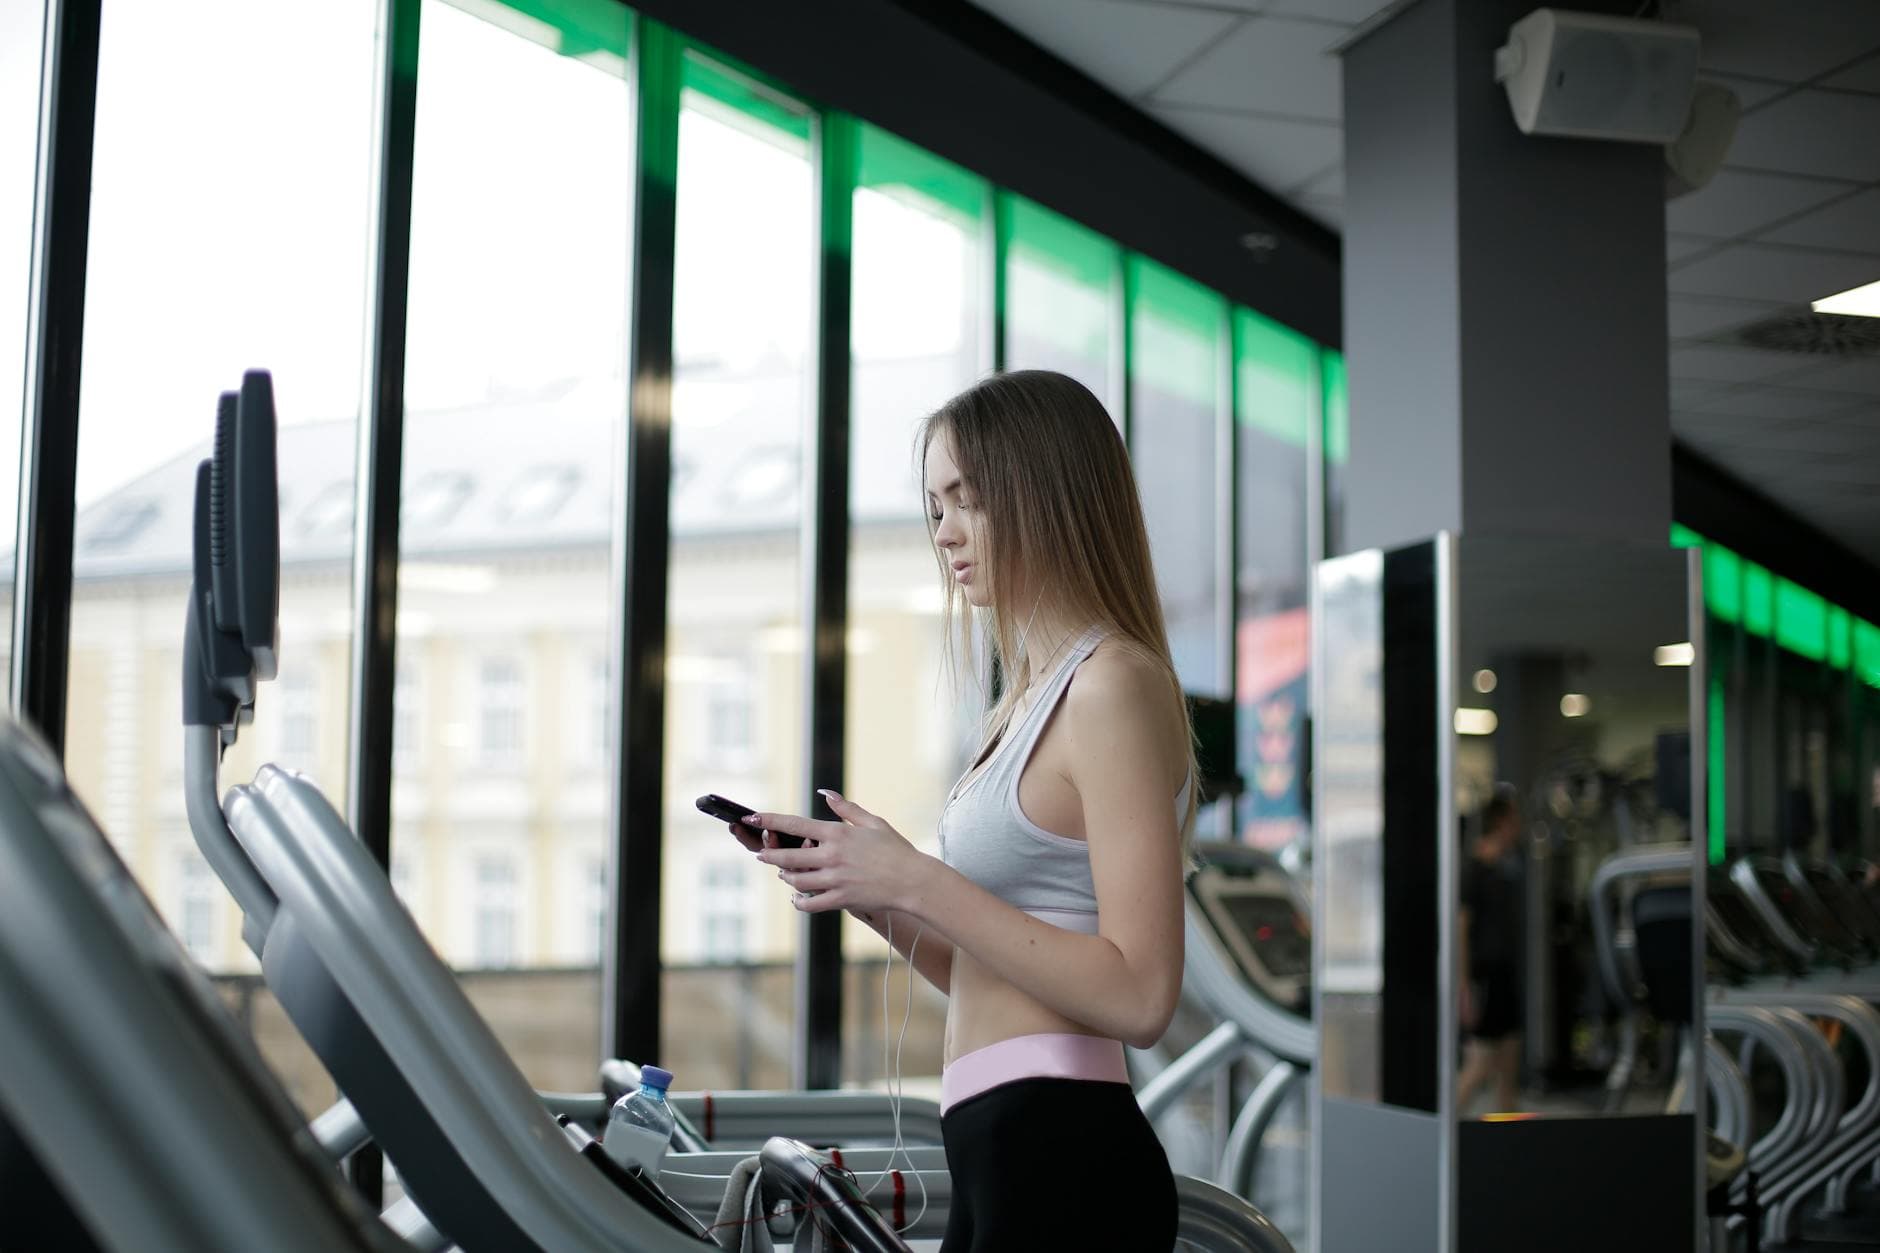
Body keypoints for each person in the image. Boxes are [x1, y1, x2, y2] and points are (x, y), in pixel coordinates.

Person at [727, 370, 1195, 1250]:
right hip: (997, 1141)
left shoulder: (1112, 685)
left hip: (1064, 1150)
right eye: (933, 506)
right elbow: (987, 969)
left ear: (1042, 496)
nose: (943, 533)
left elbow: (1139, 994)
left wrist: (919, 876)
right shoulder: (1022, 703)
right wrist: (872, 889)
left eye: (964, 500)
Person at [1457, 790, 1524, 1116]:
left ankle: (1507, 1132)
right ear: (1501, 822)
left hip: (1504, 975)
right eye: (1514, 820)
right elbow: (1461, 930)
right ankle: (1445, 1132)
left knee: (1508, 1062)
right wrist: (1464, 985)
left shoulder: (1504, 870)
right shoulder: (1474, 870)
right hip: (1482, 977)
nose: (1519, 827)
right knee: (1481, 1063)